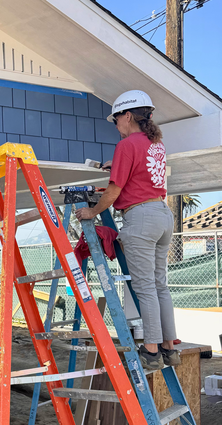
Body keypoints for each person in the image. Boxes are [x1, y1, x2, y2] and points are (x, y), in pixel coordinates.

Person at [76, 90, 179, 372]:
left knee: (144, 287)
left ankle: (151, 351)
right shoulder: (155, 143)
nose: (116, 124)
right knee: (160, 286)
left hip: (141, 217)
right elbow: (141, 173)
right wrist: (116, 166)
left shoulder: (125, 146)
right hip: (161, 214)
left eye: (116, 119)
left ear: (128, 115)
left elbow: (114, 191)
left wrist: (91, 213)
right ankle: (169, 348)